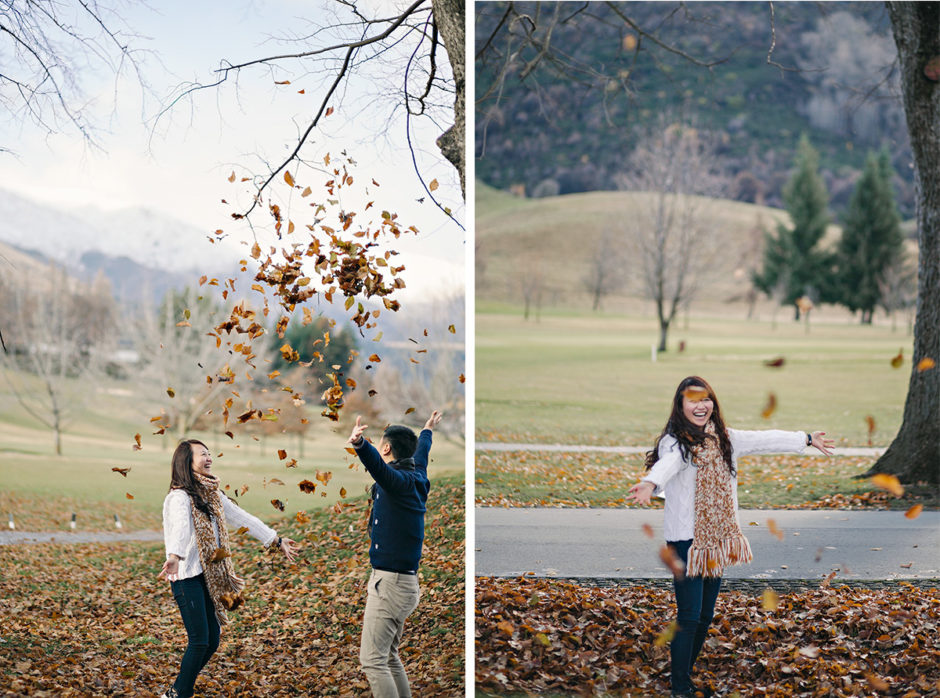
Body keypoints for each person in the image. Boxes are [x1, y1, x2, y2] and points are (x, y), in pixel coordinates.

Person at [626, 376, 834, 698]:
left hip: (717, 540)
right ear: (681, 406)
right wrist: (651, 484)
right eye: (692, 400)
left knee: (705, 616)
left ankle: (684, 675)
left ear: (713, 403)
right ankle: (680, 687)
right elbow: (669, 464)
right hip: (686, 542)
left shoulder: (726, 439)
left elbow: (764, 439)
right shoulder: (676, 442)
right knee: (690, 616)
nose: (700, 405)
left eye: (705, 399)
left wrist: (805, 438)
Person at [157, 439, 299, 698]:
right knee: (199, 640)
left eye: (209, 453)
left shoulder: (212, 495)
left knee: (211, 641)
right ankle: (178, 693)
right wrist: (175, 556)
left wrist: (276, 540)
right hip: (185, 576)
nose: (208, 458)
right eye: (202, 454)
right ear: (186, 463)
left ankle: (178, 689)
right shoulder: (178, 497)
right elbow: (180, 528)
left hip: (208, 576)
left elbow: (242, 518)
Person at [347, 410, 443, 698]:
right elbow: (422, 454)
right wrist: (426, 431)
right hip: (402, 583)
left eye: (380, 444)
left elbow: (379, 469)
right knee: (388, 656)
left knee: (373, 660)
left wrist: (361, 445)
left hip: (389, 585)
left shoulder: (399, 481)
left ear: (386, 448)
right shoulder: (417, 476)